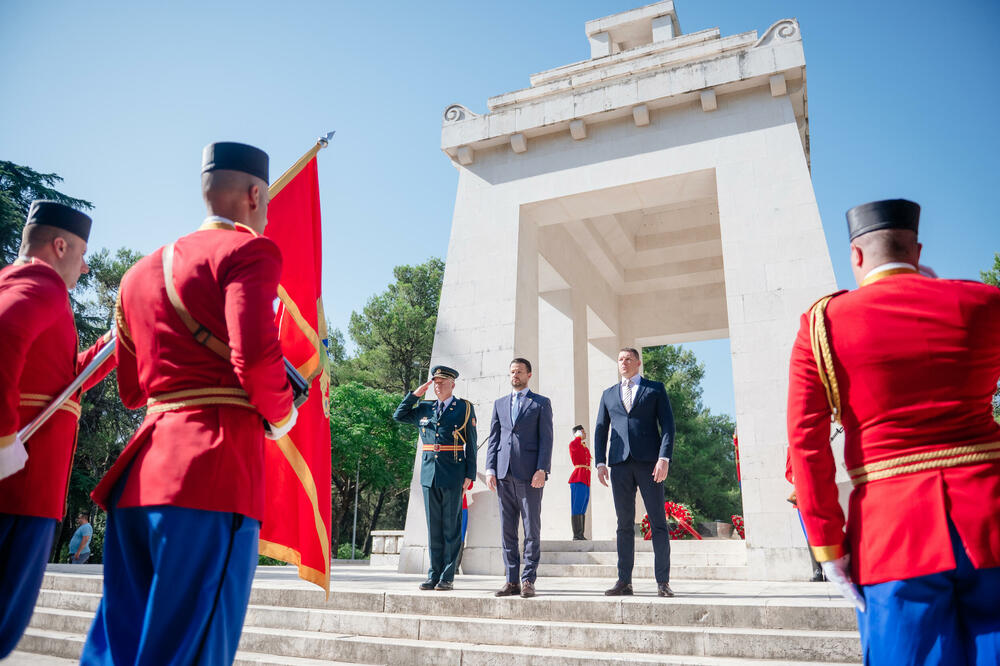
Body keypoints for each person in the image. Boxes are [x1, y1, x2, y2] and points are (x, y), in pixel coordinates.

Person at [80, 142, 297, 665]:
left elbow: (133, 391)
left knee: (121, 648)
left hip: (140, 476)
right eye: (266, 202)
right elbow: (254, 358)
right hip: (212, 473)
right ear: (254, 195)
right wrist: (282, 414)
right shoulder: (249, 251)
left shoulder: (137, 273)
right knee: (192, 650)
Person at [786, 199, 1000, 664]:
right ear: (917, 250)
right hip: (992, 514)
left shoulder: (822, 324)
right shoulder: (985, 302)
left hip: (893, 535)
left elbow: (806, 443)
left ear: (856, 255)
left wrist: (828, 547)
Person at [0, 201, 115, 659]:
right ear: (60, 246)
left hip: (25, 491)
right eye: (83, 254)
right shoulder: (41, 282)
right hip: (21, 490)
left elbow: (64, 383)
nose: (85, 267)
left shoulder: (25, 284)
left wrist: (112, 344)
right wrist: (3, 441)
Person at [594, 347, 675, 597]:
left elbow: (668, 425)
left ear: (638, 363)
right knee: (624, 524)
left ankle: (663, 582)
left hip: (650, 464)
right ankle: (624, 582)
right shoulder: (608, 394)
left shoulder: (655, 389)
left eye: (628, 359)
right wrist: (600, 462)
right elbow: (600, 429)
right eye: (620, 359)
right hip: (619, 464)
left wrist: (664, 458)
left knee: (658, 522)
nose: (624, 362)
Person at [393, 365, 477, 591]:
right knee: (434, 528)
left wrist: (469, 475)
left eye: (442, 382)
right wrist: (415, 395)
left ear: (452, 384)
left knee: (451, 527)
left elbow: (471, 444)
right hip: (429, 474)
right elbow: (399, 415)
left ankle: (447, 576)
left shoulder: (464, 408)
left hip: (454, 473)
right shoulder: (425, 407)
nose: (437, 386)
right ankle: (433, 575)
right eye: (435, 382)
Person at [486, 358, 554, 598]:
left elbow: (547, 439)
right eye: (512, 372)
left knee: (531, 528)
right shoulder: (500, 404)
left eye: (519, 372)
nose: (515, 375)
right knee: (507, 530)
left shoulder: (541, 403)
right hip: (503, 474)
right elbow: (494, 438)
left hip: (529, 475)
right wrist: (490, 469)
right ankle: (511, 580)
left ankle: (528, 580)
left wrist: (542, 469)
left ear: (529, 375)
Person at [568, 425, 591, 540]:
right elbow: (574, 448)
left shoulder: (583, 446)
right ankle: (576, 535)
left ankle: (580, 534)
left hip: (585, 478)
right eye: (583, 431)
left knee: (583, 506)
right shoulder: (574, 444)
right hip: (578, 478)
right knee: (577, 506)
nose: (585, 433)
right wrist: (577, 437)